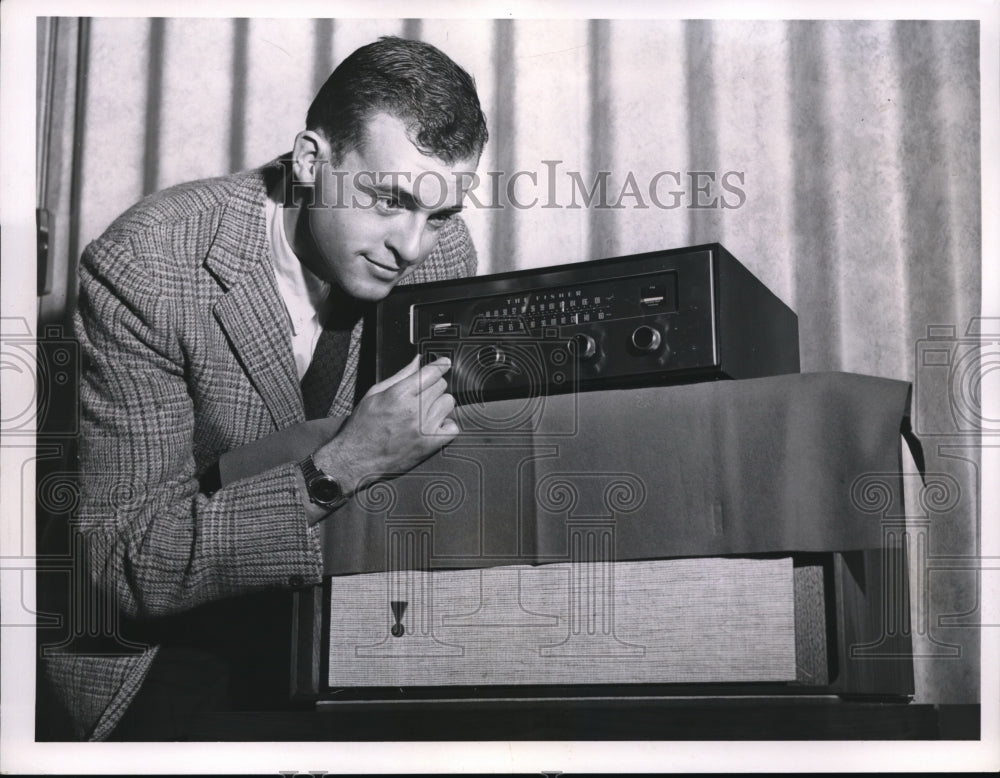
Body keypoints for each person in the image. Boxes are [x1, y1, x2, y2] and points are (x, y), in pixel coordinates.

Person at [41, 36, 488, 741]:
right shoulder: (150, 266)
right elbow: (118, 567)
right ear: (312, 160)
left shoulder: (441, 254)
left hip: (345, 627)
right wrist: (340, 466)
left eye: (439, 214)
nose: (411, 246)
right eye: (387, 199)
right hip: (168, 650)